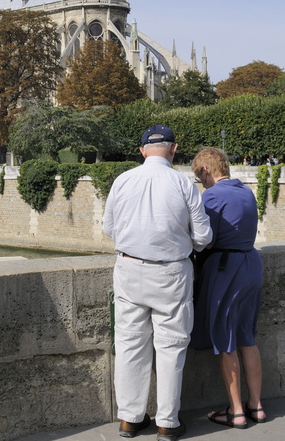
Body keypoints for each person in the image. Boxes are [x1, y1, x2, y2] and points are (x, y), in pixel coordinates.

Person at [103, 125, 212, 440]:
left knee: (129, 344)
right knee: (171, 346)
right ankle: (167, 422)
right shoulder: (182, 184)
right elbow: (203, 237)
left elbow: (110, 227)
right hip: (170, 272)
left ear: (141, 151)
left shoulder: (122, 180)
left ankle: (130, 419)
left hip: (128, 268)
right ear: (174, 149)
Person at [190, 147, 266, 429]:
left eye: (199, 178)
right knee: (248, 337)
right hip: (251, 263)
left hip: (225, 267)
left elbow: (204, 240)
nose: (200, 184)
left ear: (205, 171)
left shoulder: (211, 195)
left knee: (226, 341)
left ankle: (235, 411)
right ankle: (256, 406)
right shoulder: (246, 191)